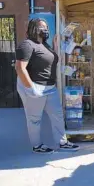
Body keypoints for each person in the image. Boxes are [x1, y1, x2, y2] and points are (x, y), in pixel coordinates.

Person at [15, 18, 79, 153]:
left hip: (50, 88)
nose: (45, 30)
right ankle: (37, 145)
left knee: (58, 115)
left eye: (46, 27)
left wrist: (55, 46)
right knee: (34, 119)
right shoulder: (27, 45)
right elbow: (20, 68)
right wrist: (30, 89)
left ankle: (62, 142)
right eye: (42, 27)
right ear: (33, 29)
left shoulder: (45, 45)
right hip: (35, 87)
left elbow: (53, 60)